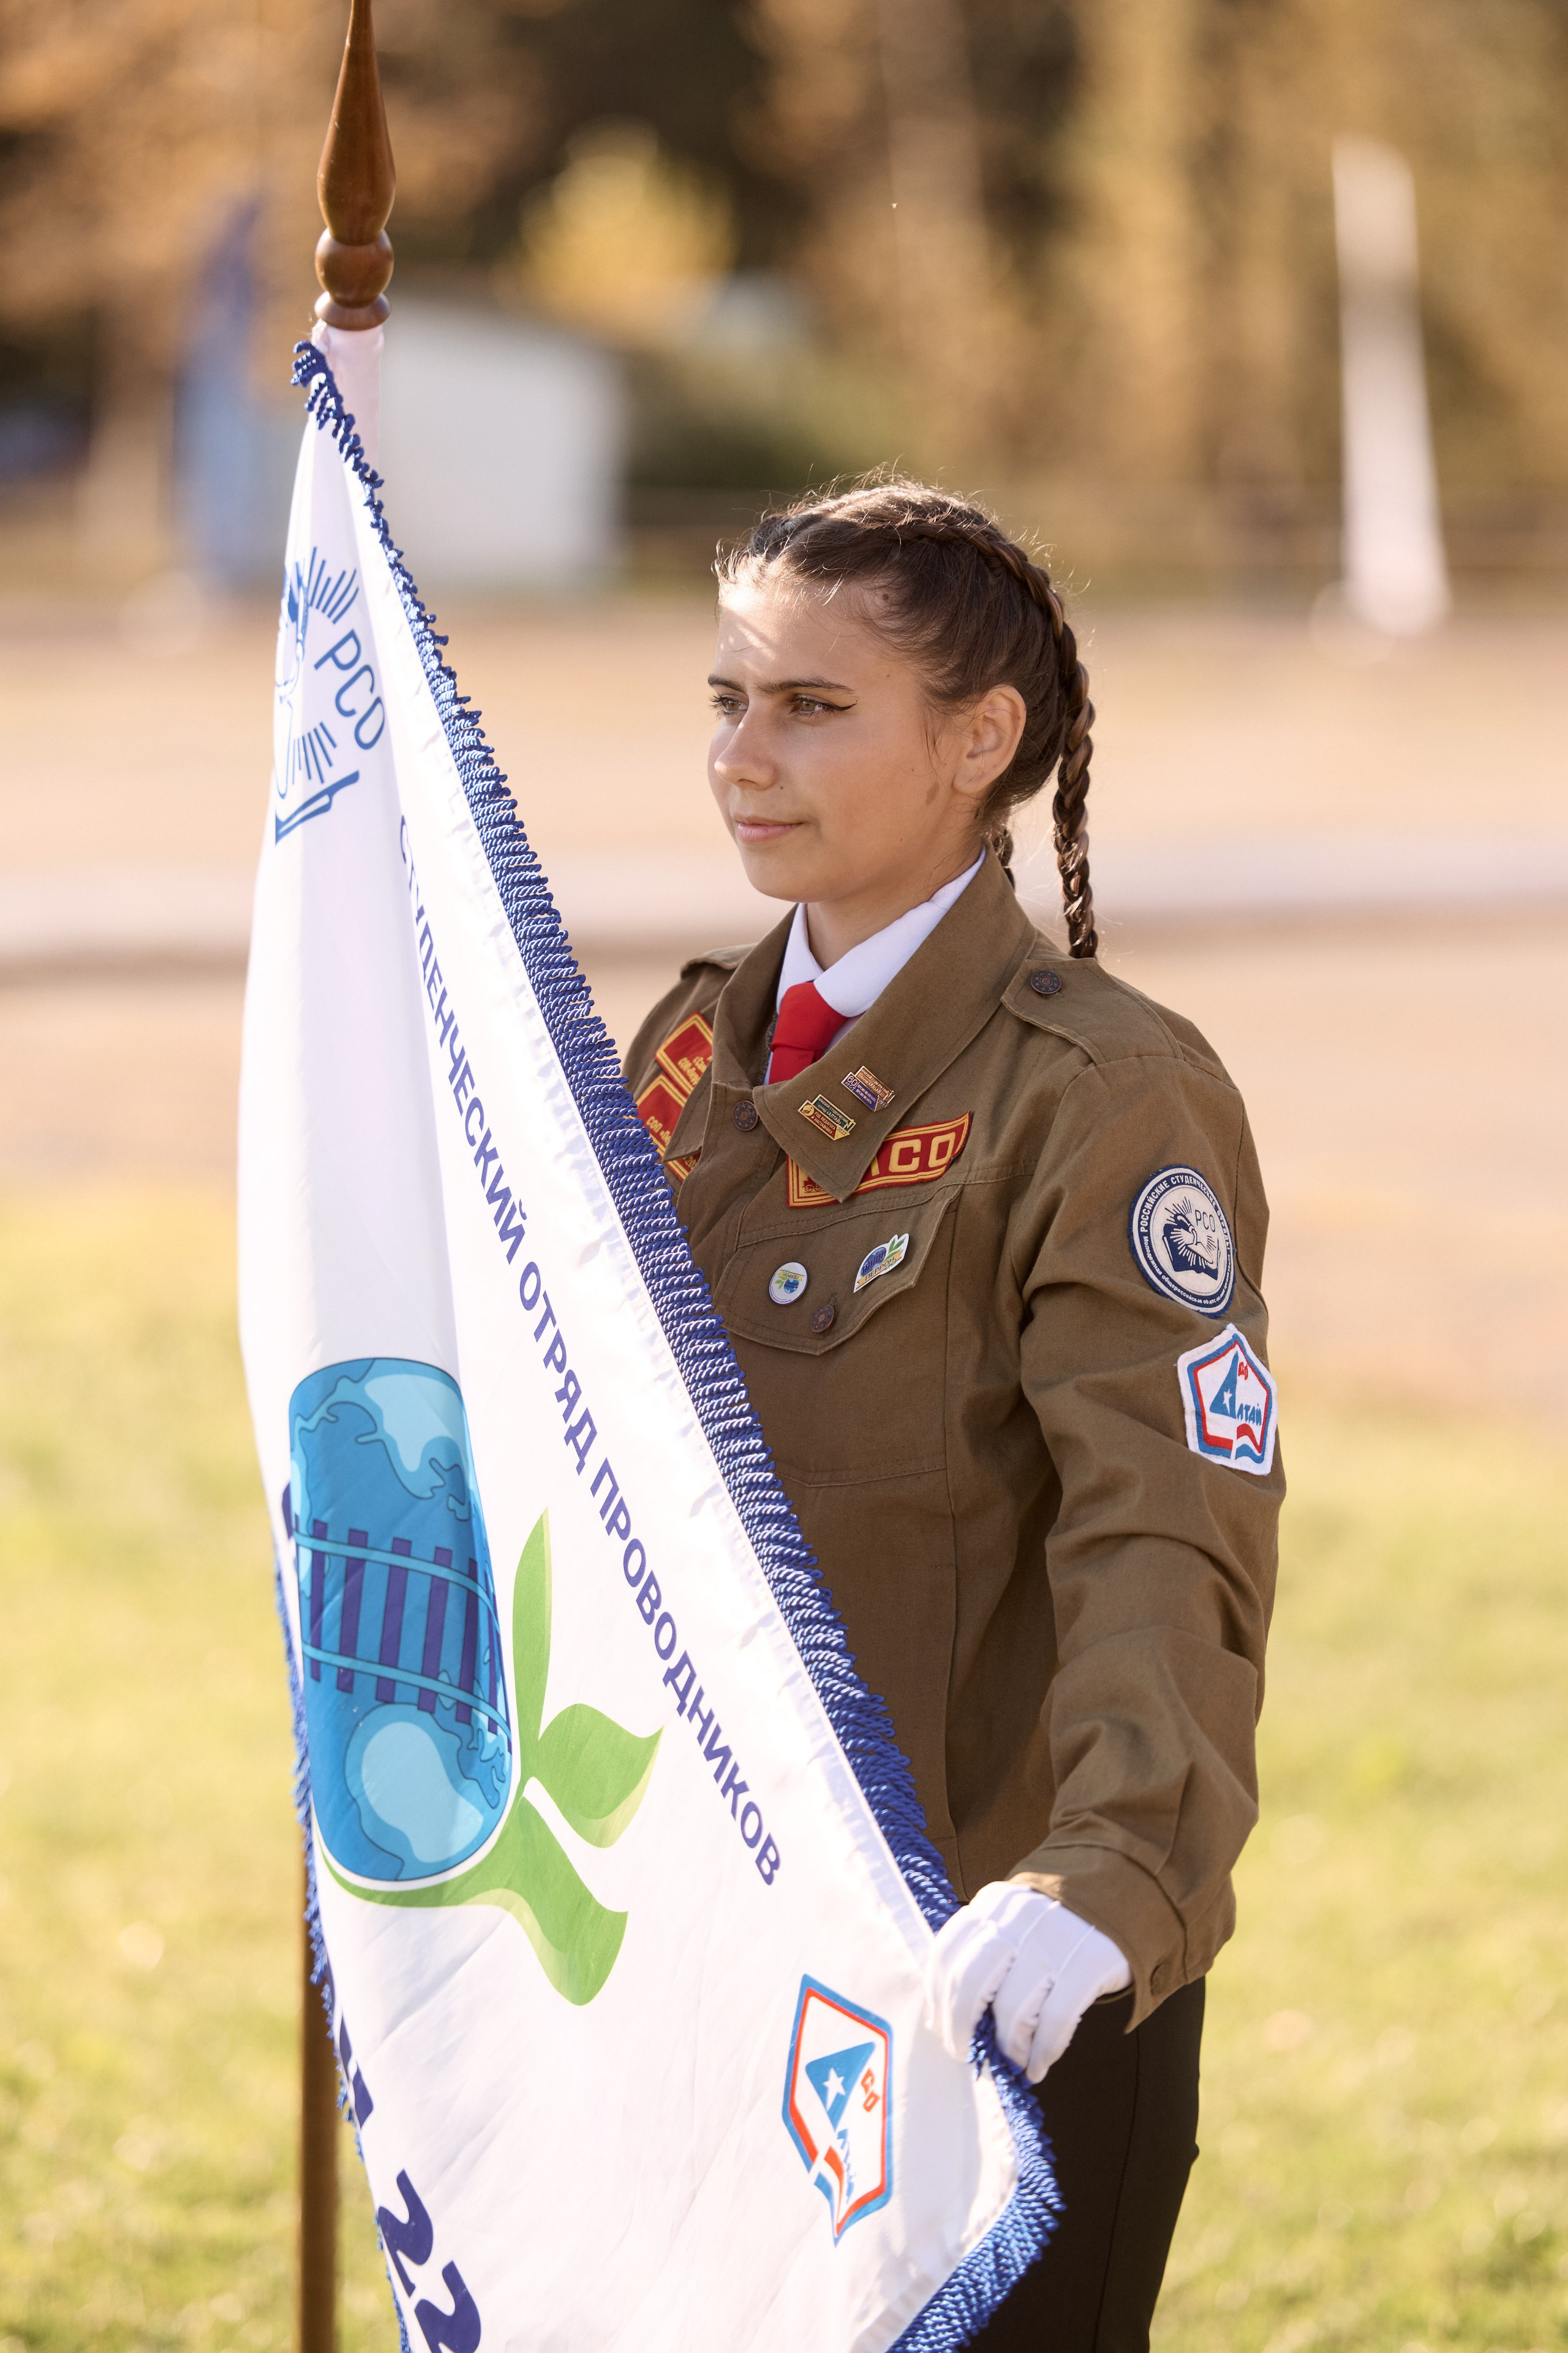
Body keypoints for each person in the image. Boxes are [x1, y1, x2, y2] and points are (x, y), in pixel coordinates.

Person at [622, 482, 1282, 2351]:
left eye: (811, 707)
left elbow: (1170, 1522)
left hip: (990, 1988)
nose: (743, 756)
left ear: (980, 740)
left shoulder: (1105, 1095)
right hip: (714, 1950)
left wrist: (1113, 1871)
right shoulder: (685, 1062)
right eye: (729, 698)